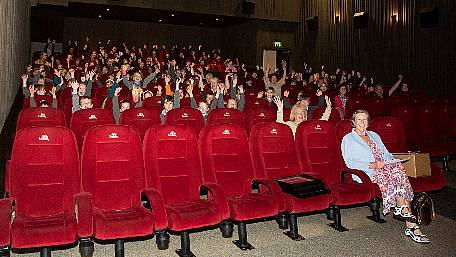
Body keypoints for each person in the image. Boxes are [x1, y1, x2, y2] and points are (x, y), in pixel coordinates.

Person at [341, 109, 430, 244]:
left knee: (399, 172)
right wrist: (372, 165)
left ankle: (409, 221)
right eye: (359, 119)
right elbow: (349, 162)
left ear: (368, 122)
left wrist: (396, 162)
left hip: (385, 168)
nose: (362, 122)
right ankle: (409, 220)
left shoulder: (374, 135)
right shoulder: (348, 139)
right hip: (367, 172)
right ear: (353, 122)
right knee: (397, 175)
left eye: (365, 119)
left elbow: (387, 154)